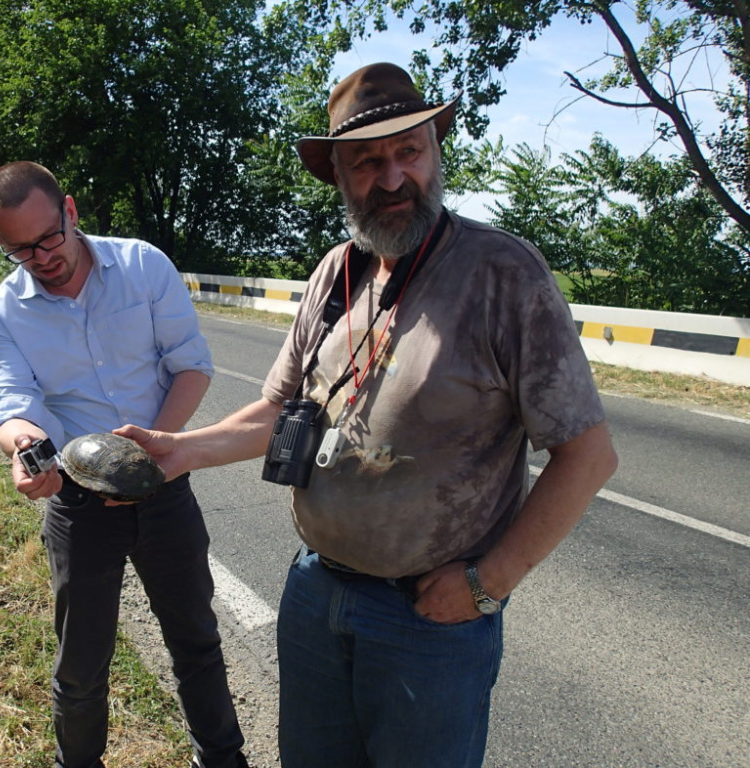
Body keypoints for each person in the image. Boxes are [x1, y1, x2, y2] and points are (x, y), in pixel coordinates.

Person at [117, 63, 618, 768]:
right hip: (315, 592)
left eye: (408, 152)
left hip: (429, 622)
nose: (391, 178)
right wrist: (179, 449)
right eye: (367, 162)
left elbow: (588, 457)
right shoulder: (335, 273)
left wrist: (487, 584)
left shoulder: (504, 277)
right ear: (340, 178)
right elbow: (281, 411)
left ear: (436, 152)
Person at [0, 161, 247, 768]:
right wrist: (23, 446)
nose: (42, 257)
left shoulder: (143, 266)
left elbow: (190, 365)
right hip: (78, 503)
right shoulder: (3, 313)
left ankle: (224, 759)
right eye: (20, 249)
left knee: (197, 643)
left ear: (70, 211)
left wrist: (156, 447)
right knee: (81, 661)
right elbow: (14, 401)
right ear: (1, 244)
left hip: (163, 483)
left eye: (49, 237)